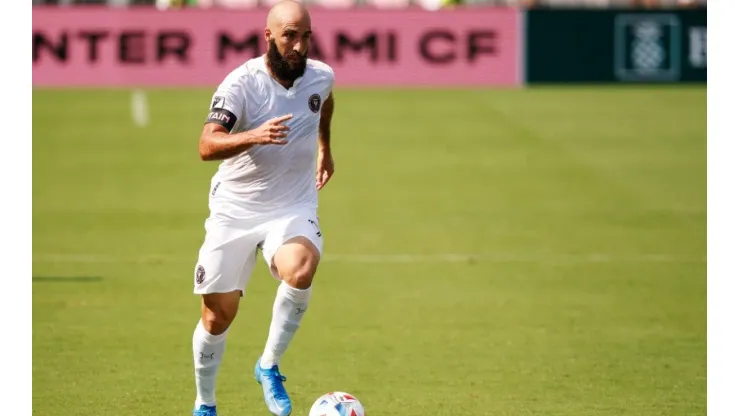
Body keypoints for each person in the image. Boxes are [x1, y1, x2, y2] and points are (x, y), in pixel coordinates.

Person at [190, 1, 335, 415]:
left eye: (306, 36)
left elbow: (325, 103)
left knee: (301, 268)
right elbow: (206, 145)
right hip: (236, 209)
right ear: (268, 35)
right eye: (290, 35)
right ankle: (206, 403)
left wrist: (325, 147)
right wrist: (253, 135)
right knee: (218, 317)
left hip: (291, 203)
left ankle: (268, 365)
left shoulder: (321, 76)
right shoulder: (240, 84)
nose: (299, 45)